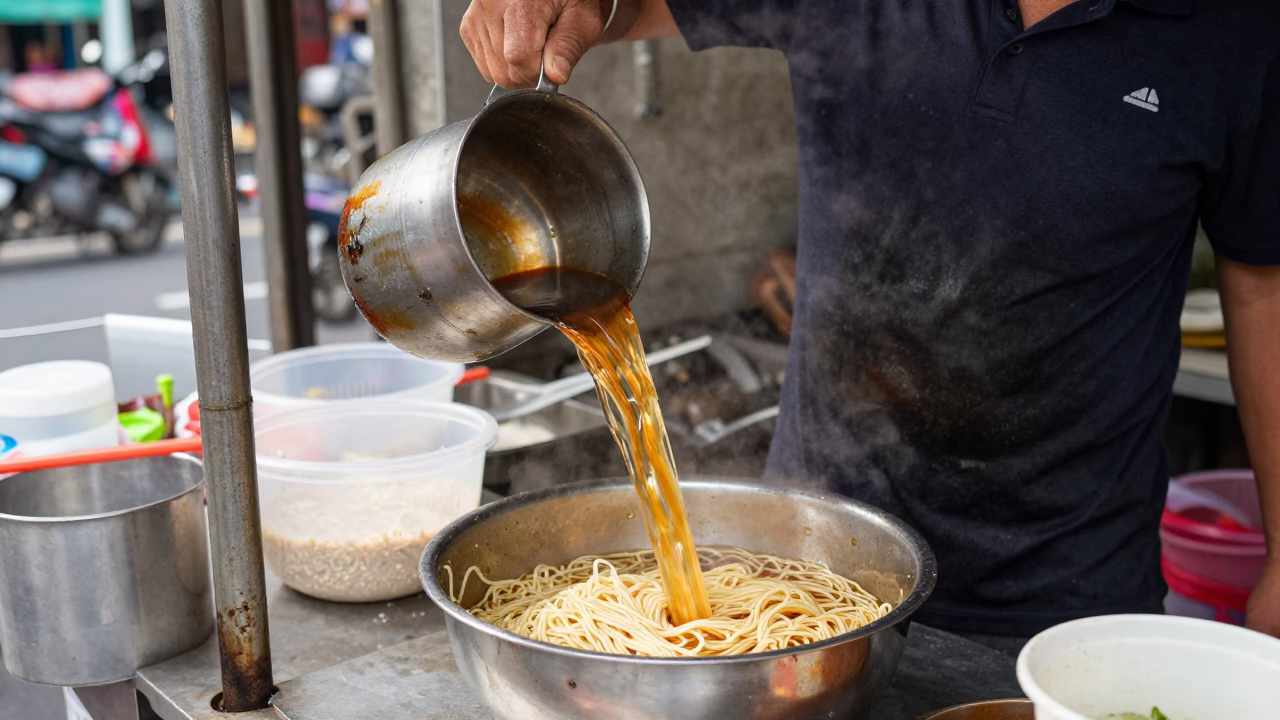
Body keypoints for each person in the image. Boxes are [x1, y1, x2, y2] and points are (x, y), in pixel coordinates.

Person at [460, 0, 1280, 649]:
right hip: (805, 566)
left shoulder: (1237, 28)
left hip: (1074, 589)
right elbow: (625, 5)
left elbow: (1262, 288)